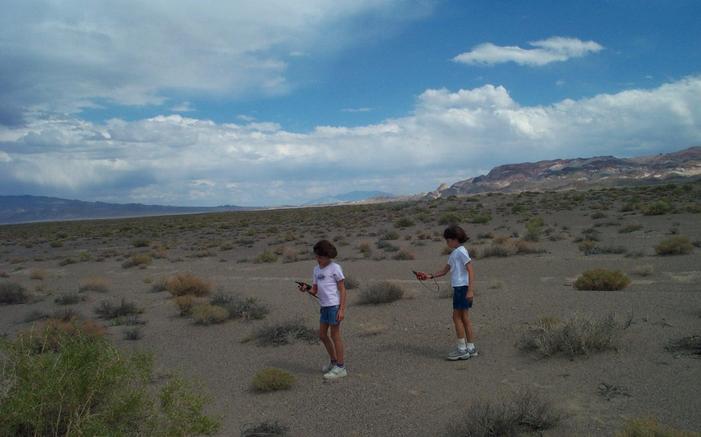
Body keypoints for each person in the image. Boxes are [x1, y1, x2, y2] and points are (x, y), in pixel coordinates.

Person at [415, 224, 478, 360]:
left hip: (462, 289)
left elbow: (471, 270)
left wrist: (470, 290)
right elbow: (444, 271)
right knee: (465, 318)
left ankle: (462, 350)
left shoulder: (461, 251)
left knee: (456, 318)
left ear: (455, 239)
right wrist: (429, 276)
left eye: (448, 240)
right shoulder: (455, 253)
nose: (447, 243)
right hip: (461, 288)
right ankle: (471, 348)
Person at [298, 240, 348, 379]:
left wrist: (341, 309)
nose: (318, 259)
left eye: (320, 257)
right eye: (316, 256)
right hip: (324, 306)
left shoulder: (335, 268)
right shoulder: (316, 269)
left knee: (335, 335)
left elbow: (343, 289)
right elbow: (315, 290)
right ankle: (333, 362)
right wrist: (306, 289)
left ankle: (341, 367)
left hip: (334, 306)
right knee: (322, 335)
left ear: (328, 256)